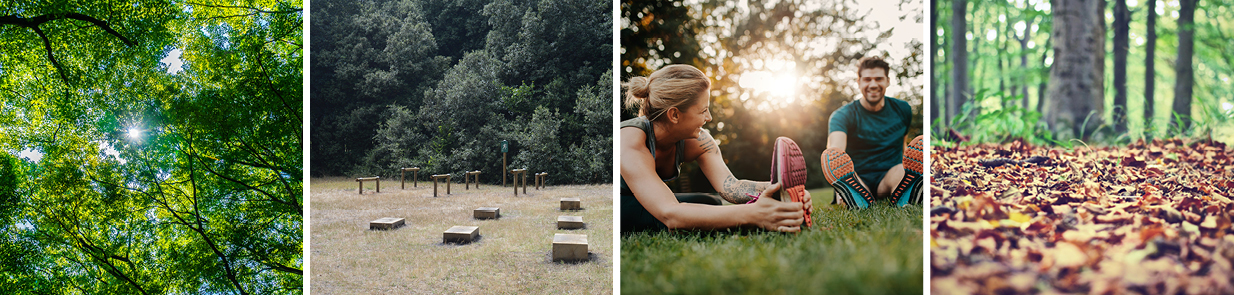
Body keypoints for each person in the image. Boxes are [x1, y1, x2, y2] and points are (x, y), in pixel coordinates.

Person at [620, 64, 812, 233]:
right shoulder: (631, 140)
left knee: (710, 203)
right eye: (703, 110)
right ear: (675, 115)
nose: (709, 117)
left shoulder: (699, 140)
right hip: (620, 203)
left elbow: (732, 188)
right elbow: (671, 213)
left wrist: (782, 190)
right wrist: (753, 214)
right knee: (669, 219)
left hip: (649, 201)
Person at [821, 56, 923, 209]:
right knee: (852, 182)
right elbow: (835, 151)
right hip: (857, 176)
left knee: (903, 171)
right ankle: (849, 192)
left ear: (888, 81)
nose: (873, 84)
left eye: (879, 79)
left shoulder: (903, 109)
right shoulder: (842, 115)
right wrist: (836, 174)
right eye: (867, 79)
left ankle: (907, 193)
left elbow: (902, 143)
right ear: (859, 82)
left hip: (889, 176)